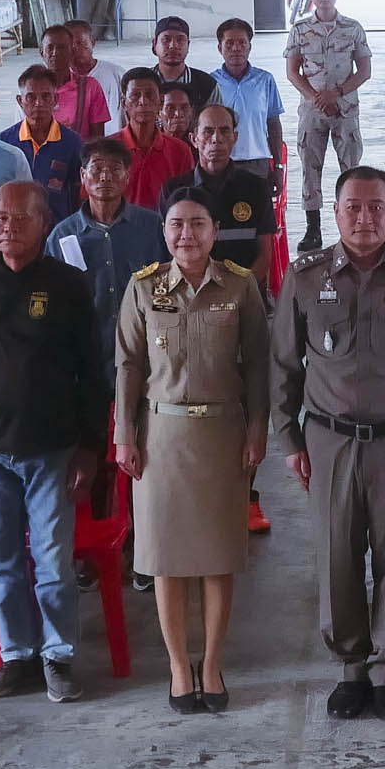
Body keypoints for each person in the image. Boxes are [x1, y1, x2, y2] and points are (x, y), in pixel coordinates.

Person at [273, 168, 385, 722]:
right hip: (328, 440)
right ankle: (351, 668)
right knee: (337, 555)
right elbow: (283, 366)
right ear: (334, 212)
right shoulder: (305, 277)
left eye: (377, 207)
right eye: (353, 206)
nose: (364, 218)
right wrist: (289, 438)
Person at [0, 183, 112, 704]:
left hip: (52, 448)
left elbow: (93, 373)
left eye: (20, 218)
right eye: (0, 217)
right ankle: (16, 656)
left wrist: (91, 447)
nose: (8, 227)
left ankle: (57, 657)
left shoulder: (68, 285)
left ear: (44, 223)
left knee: (52, 560)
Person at [116, 198, 273, 713]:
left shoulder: (239, 286)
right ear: (164, 231)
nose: (187, 234)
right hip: (160, 437)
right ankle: (179, 667)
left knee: (216, 557)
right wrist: (124, 436)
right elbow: (128, 366)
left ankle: (212, 664)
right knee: (167, 560)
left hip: (222, 434)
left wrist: (257, 430)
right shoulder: (144, 287)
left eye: (198, 224)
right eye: (177, 224)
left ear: (216, 230)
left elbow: (258, 365)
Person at [51, 138, 169, 371]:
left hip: (147, 353)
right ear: (83, 175)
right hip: (85, 358)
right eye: (96, 169)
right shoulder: (62, 235)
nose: (105, 177)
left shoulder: (153, 227)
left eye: (115, 169)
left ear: (127, 176)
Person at [284, 0, 373, 251]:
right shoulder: (300, 30)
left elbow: (365, 70)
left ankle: (354, 224)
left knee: (352, 169)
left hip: (345, 111)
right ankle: (313, 228)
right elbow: (292, 72)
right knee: (310, 169)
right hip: (312, 113)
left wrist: (337, 94)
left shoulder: (353, 28)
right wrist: (316, 98)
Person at [169, 105, 278, 289]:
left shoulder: (256, 188)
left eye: (224, 131)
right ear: (194, 139)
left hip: (244, 294)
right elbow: (168, 253)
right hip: (190, 295)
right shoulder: (174, 191)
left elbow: (264, 255)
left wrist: (238, 294)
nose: (216, 139)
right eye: (208, 132)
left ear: (234, 138)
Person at [202, 19, 287, 179]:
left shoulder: (265, 80)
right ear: (220, 48)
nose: (236, 48)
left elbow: (273, 124)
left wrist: (277, 165)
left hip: (258, 163)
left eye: (242, 43)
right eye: (229, 43)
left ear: (250, 47)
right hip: (220, 160)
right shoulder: (210, 82)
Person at [1, 65, 84, 224]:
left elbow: (77, 193)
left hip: (57, 227)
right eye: (31, 97)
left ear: (55, 99)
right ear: (20, 101)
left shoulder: (72, 143)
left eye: (46, 96)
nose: (39, 103)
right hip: (17, 227)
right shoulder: (6, 141)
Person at [114, 69, 197, 208]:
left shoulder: (180, 151)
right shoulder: (108, 149)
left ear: (160, 101)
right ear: (123, 103)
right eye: (135, 95)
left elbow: (186, 202)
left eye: (149, 94)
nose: (143, 101)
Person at [40, 25, 113, 141]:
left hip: (80, 152)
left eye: (62, 48)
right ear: (42, 53)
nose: (55, 53)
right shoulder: (32, 90)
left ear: (72, 52)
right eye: (50, 48)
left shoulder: (90, 87)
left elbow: (98, 138)